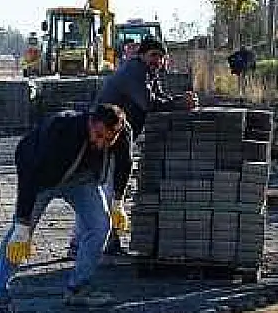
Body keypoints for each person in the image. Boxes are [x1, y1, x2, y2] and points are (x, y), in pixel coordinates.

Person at [67, 37, 197, 256]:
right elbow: (148, 103)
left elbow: (158, 97)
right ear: (142, 55)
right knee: (103, 192)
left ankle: (95, 242)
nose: (157, 60)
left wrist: (178, 100)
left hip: (117, 138)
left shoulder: (147, 73)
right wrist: (180, 104)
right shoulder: (134, 72)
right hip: (104, 138)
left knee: (103, 190)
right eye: (153, 55)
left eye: (161, 56)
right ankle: (82, 245)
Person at [0, 103, 126, 302]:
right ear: (91, 122)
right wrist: (22, 222)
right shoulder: (60, 130)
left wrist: (118, 201)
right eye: (98, 135)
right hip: (41, 180)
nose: (101, 143)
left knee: (100, 226)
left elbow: (125, 163)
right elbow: (30, 174)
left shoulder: (121, 133)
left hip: (81, 180)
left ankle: (78, 288)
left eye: (108, 139)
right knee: (18, 238)